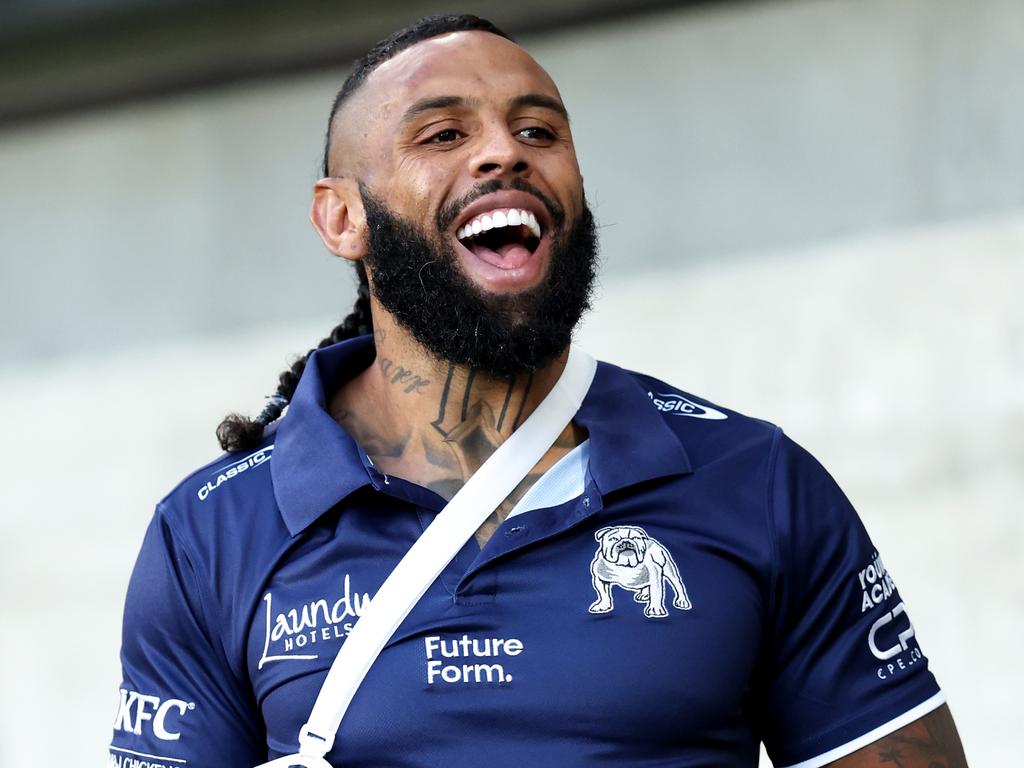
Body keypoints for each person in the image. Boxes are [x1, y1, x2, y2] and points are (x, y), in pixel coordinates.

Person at [108, 14, 968, 768]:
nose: (504, 151)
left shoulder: (755, 480)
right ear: (342, 217)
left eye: (540, 132)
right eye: (442, 134)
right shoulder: (209, 535)